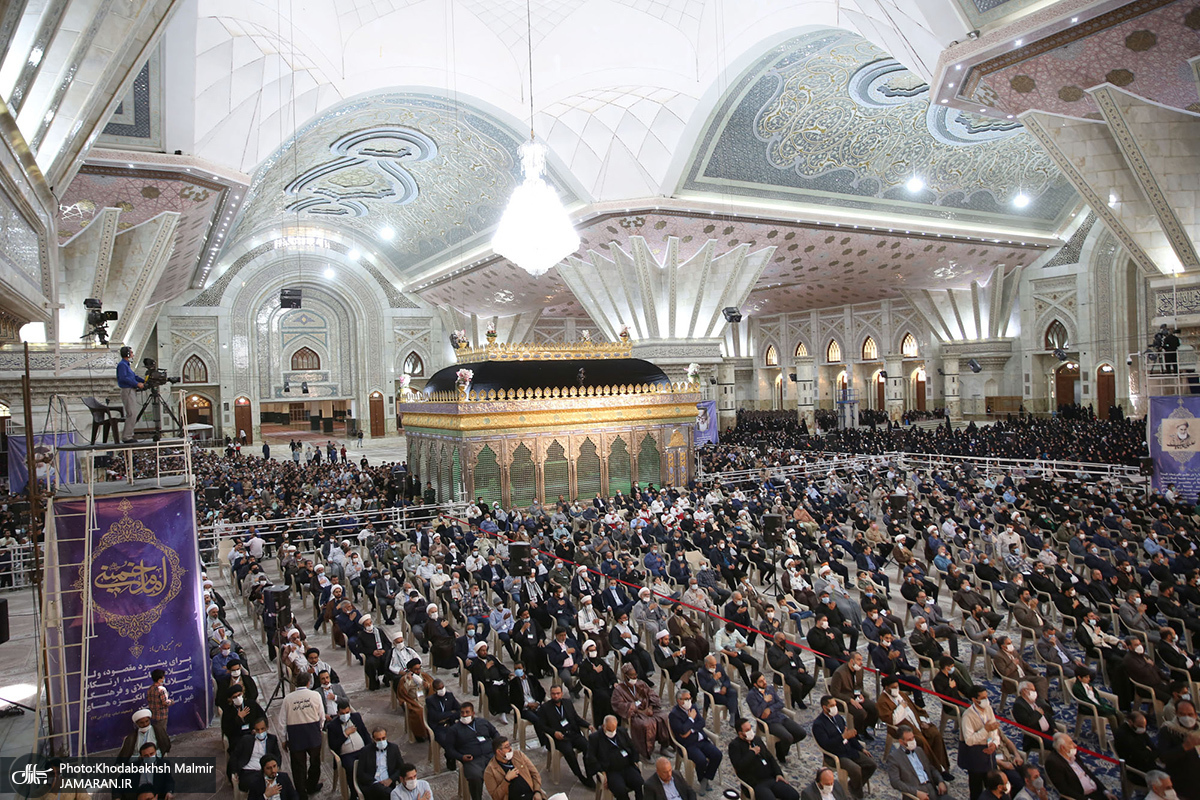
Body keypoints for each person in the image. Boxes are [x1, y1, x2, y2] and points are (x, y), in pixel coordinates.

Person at [876, 675, 950, 776]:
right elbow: (892, 720)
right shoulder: (882, 701)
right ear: (886, 688)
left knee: (935, 733)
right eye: (893, 687)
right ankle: (936, 769)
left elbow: (915, 709)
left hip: (917, 723)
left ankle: (943, 765)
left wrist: (923, 721)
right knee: (921, 740)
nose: (896, 689)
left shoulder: (901, 694)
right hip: (903, 728)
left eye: (897, 686)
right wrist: (901, 707)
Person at [959, 684, 1023, 800]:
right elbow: (969, 740)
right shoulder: (967, 716)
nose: (986, 700)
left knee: (993, 786)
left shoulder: (988, 709)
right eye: (982, 698)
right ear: (974, 700)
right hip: (975, 755)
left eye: (986, 697)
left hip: (990, 753)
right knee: (976, 789)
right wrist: (985, 730)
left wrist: (994, 743)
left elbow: (994, 730)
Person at [811, 695, 876, 800]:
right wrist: (842, 737)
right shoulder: (819, 725)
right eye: (832, 705)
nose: (835, 707)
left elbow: (849, 736)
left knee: (871, 764)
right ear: (824, 708)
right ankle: (857, 795)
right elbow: (826, 745)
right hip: (836, 755)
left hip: (849, 750)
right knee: (856, 770)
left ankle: (852, 786)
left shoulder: (838, 718)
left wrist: (861, 748)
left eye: (835, 705)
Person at [535, 683, 595, 788]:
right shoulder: (545, 708)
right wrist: (554, 733)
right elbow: (541, 726)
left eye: (558, 693)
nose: (556, 696)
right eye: (553, 694)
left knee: (587, 746)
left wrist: (588, 725)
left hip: (572, 733)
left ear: (562, 694)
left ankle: (589, 774)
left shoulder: (567, 703)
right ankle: (579, 775)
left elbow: (576, 718)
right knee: (568, 752)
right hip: (559, 738)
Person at [276, 673, 325, 800]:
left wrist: (283, 739)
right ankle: (311, 785)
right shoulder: (315, 695)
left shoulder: (288, 699)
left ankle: (301, 793)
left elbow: (282, 721)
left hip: (295, 735)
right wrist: (318, 729)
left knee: (298, 766)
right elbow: (322, 716)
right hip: (313, 734)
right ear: (309, 682)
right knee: (315, 762)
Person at [611, 663, 672, 759]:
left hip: (649, 708)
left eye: (635, 675)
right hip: (635, 714)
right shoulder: (619, 690)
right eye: (632, 675)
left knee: (664, 717)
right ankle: (647, 752)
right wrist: (641, 711)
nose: (634, 677)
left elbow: (652, 694)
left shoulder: (641, 684)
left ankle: (664, 746)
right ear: (626, 676)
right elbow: (619, 705)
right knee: (646, 724)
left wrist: (650, 707)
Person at [729, 717, 799, 800]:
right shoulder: (735, 746)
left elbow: (770, 757)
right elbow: (739, 766)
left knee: (794, 795)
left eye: (750, 728)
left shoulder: (757, 739)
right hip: (756, 784)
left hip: (770, 778)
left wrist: (778, 773)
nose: (750, 731)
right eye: (747, 730)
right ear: (740, 733)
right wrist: (752, 753)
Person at [668, 689, 721, 794]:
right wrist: (691, 719)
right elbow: (682, 731)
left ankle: (706, 778)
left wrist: (691, 730)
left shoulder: (693, 707)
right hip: (688, 744)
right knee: (701, 760)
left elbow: (702, 722)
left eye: (689, 698)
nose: (689, 701)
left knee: (717, 754)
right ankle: (701, 780)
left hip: (701, 740)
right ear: (679, 700)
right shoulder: (674, 715)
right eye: (686, 699)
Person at [747, 671, 807, 763]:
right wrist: (765, 701)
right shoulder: (751, 696)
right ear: (755, 684)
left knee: (801, 733)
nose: (764, 682)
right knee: (788, 737)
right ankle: (781, 754)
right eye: (761, 681)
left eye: (764, 679)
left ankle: (780, 747)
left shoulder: (770, 688)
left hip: (780, 717)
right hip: (769, 722)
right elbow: (757, 713)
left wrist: (770, 709)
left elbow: (780, 703)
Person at [443, 702, 498, 800]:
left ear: (473, 713)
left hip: (491, 755)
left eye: (467, 712)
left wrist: (498, 747)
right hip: (473, 760)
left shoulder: (483, 722)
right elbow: (449, 749)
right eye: (462, 712)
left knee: (508, 770)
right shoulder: (454, 730)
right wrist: (461, 757)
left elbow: (495, 733)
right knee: (475, 777)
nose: (464, 715)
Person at [885, 725, 951, 800]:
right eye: (909, 739)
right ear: (901, 741)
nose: (912, 741)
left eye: (913, 738)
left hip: (932, 790)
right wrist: (916, 793)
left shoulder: (919, 750)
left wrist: (940, 781)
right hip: (916, 794)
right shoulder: (894, 757)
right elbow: (895, 782)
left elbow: (931, 768)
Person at [1044, 732, 1116, 800]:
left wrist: (1105, 792)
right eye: (1070, 743)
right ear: (1063, 748)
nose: (1075, 745)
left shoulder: (1073, 755)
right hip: (1082, 797)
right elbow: (1065, 790)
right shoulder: (1053, 763)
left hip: (1096, 792)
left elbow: (1089, 774)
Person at [587, 715, 645, 800]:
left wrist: (634, 760)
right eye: (609, 730)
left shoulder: (622, 732)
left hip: (627, 767)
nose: (612, 732)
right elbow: (590, 757)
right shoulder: (595, 738)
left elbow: (633, 747)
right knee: (620, 790)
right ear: (603, 726)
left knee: (639, 782)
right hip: (610, 771)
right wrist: (601, 771)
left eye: (614, 729)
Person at [325, 700, 367, 800]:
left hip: (362, 750)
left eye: (347, 712)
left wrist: (370, 748)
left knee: (369, 764)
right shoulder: (332, 726)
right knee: (351, 768)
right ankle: (354, 793)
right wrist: (345, 734)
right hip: (346, 754)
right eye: (342, 713)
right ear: (338, 713)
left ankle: (366, 790)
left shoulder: (356, 717)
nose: (345, 715)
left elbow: (365, 734)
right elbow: (333, 746)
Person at [829, 652, 878, 738]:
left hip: (856, 696)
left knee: (874, 708)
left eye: (861, 660)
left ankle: (864, 729)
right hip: (844, 700)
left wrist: (860, 694)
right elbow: (835, 693)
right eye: (859, 660)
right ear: (852, 661)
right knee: (861, 713)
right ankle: (856, 733)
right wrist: (850, 700)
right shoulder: (839, 673)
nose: (861, 663)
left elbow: (859, 686)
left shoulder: (859, 670)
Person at [483, 736, 544, 800]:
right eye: (507, 747)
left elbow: (535, 774)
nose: (510, 749)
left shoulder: (518, 755)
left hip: (532, 795)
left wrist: (537, 791)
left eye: (510, 745)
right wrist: (506, 780)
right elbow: (496, 797)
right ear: (499, 751)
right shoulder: (490, 771)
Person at [229, 717, 283, 788]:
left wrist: (276, 768)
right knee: (257, 784)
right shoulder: (246, 740)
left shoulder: (272, 739)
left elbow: (278, 756)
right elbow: (234, 755)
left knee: (282, 781)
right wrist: (235, 771)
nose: (260, 732)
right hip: (248, 771)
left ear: (267, 728)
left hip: (266, 771)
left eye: (262, 729)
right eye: (257, 730)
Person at [354, 726, 403, 800]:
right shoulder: (365, 751)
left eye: (383, 738)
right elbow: (361, 773)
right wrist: (375, 782)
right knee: (385, 792)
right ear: (373, 739)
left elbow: (401, 768)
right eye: (378, 739)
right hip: (372, 785)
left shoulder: (393, 748)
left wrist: (391, 779)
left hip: (389, 784)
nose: (381, 741)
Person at [393, 657, 434, 739]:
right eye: (415, 669)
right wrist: (408, 681)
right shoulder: (404, 679)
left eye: (419, 669)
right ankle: (421, 734)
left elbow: (433, 686)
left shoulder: (424, 676)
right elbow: (402, 693)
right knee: (419, 712)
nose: (418, 671)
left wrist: (428, 686)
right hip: (413, 701)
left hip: (425, 698)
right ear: (410, 669)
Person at [117, 346, 145, 442]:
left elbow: (134, 377)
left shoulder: (126, 365)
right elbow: (124, 378)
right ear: (127, 354)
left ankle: (129, 435)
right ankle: (127, 436)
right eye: (131, 353)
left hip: (130, 390)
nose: (133, 354)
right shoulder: (122, 365)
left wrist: (144, 381)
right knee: (131, 414)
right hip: (127, 390)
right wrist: (137, 384)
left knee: (133, 413)